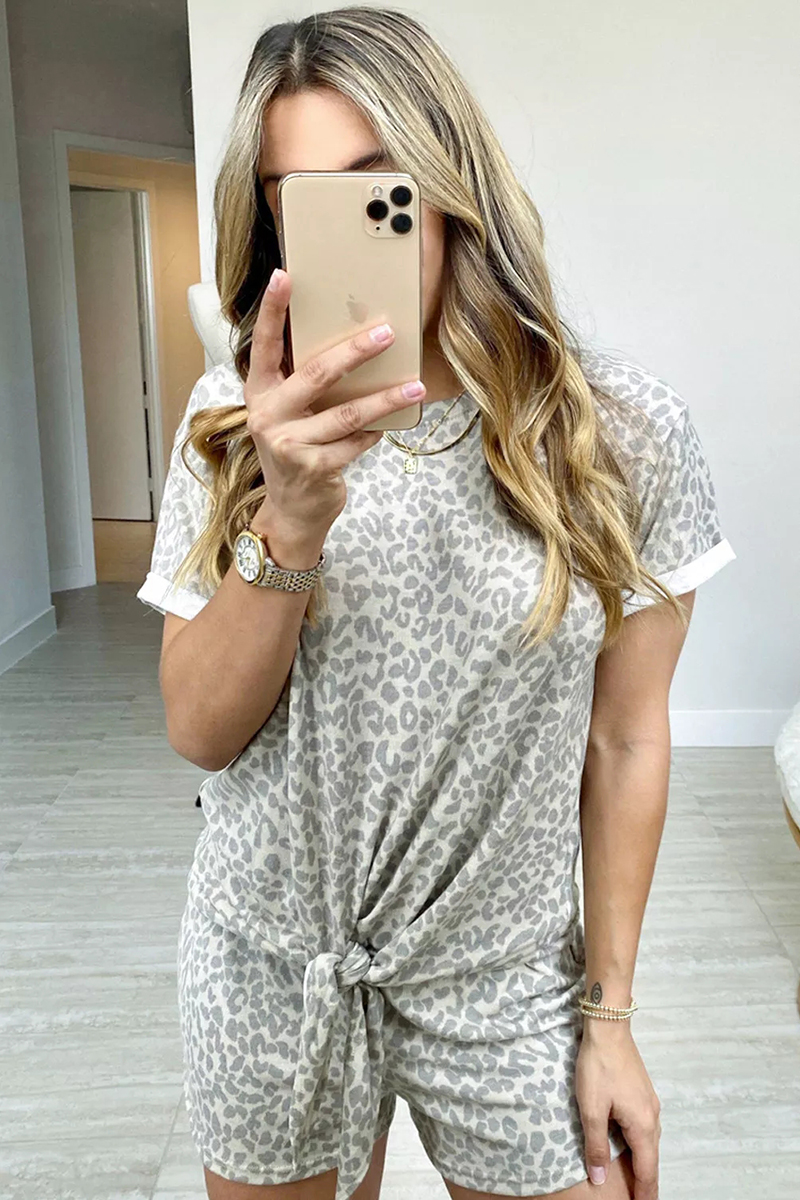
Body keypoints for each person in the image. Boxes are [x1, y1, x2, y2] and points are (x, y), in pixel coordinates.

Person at [136, 7, 737, 1200]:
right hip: (275, 962)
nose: (355, 226)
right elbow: (199, 731)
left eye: (380, 184)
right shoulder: (233, 422)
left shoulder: (615, 434)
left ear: (449, 180)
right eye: (304, 199)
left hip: (504, 974)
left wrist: (610, 1016)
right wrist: (289, 519)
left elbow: (625, 737)